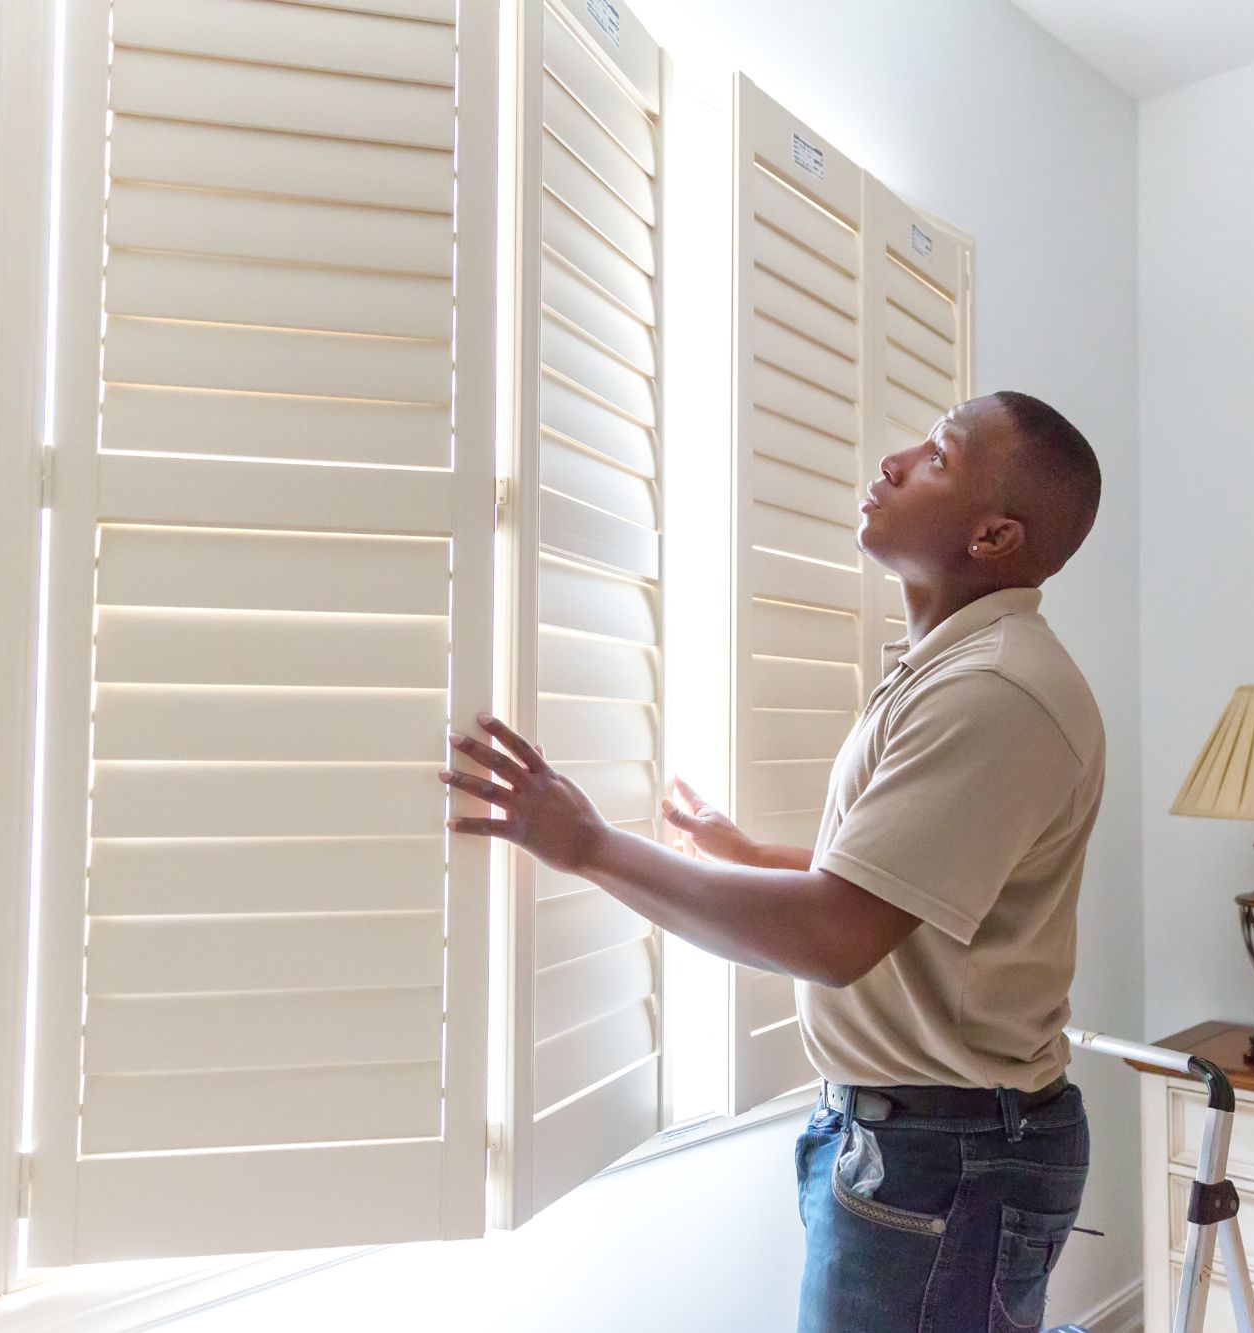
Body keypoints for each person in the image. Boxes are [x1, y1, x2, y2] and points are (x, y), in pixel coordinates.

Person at [438, 391, 1105, 1332]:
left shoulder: (993, 690)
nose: (895, 460)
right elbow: (901, 886)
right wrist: (752, 855)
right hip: (921, 1143)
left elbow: (837, 932)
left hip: (949, 1158)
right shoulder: (950, 668)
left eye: (939, 457)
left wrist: (588, 844)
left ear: (995, 535)